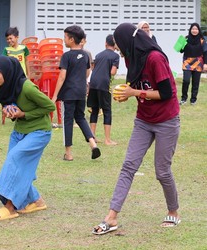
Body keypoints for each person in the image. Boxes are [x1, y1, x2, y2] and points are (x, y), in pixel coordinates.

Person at [92, 23, 181, 235]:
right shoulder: (131, 57)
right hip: (144, 119)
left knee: (162, 171)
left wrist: (135, 93)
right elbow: (136, 87)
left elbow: (166, 93)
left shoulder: (155, 59)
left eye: (120, 45)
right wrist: (126, 94)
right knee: (128, 166)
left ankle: (174, 211)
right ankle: (111, 217)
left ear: (128, 42)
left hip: (166, 120)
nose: (119, 49)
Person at [0, 56, 55, 221]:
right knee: (19, 167)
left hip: (39, 132)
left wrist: (24, 114)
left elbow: (49, 106)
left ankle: (10, 207)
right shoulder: (2, 88)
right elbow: (5, 102)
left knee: (15, 160)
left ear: (8, 72)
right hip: (20, 131)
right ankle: (36, 201)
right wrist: (8, 110)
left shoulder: (27, 88)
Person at [51, 25, 101, 161]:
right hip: (81, 91)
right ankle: (93, 144)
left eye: (65, 37)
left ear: (72, 39)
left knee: (68, 120)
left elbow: (62, 76)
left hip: (68, 93)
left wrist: (55, 96)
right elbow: (87, 73)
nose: (64, 40)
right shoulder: (85, 55)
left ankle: (68, 154)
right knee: (80, 117)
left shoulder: (66, 56)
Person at [87, 34, 120, 146]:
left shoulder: (99, 55)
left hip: (93, 83)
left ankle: (92, 137)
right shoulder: (115, 56)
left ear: (105, 43)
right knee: (107, 111)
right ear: (115, 45)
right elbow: (112, 72)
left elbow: (93, 67)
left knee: (95, 110)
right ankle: (107, 140)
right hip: (103, 84)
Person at [179, 23, 207, 105]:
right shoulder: (186, 39)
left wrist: (205, 64)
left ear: (198, 30)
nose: (194, 30)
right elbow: (181, 50)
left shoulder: (202, 40)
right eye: (193, 29)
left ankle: (193, 100)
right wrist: (181, 43)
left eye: (196, 29)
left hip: (198, 62)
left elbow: (205, 52)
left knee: (196, 82)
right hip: (187, 62)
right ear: (190, 30)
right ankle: (183, 98)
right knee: (186, 80)